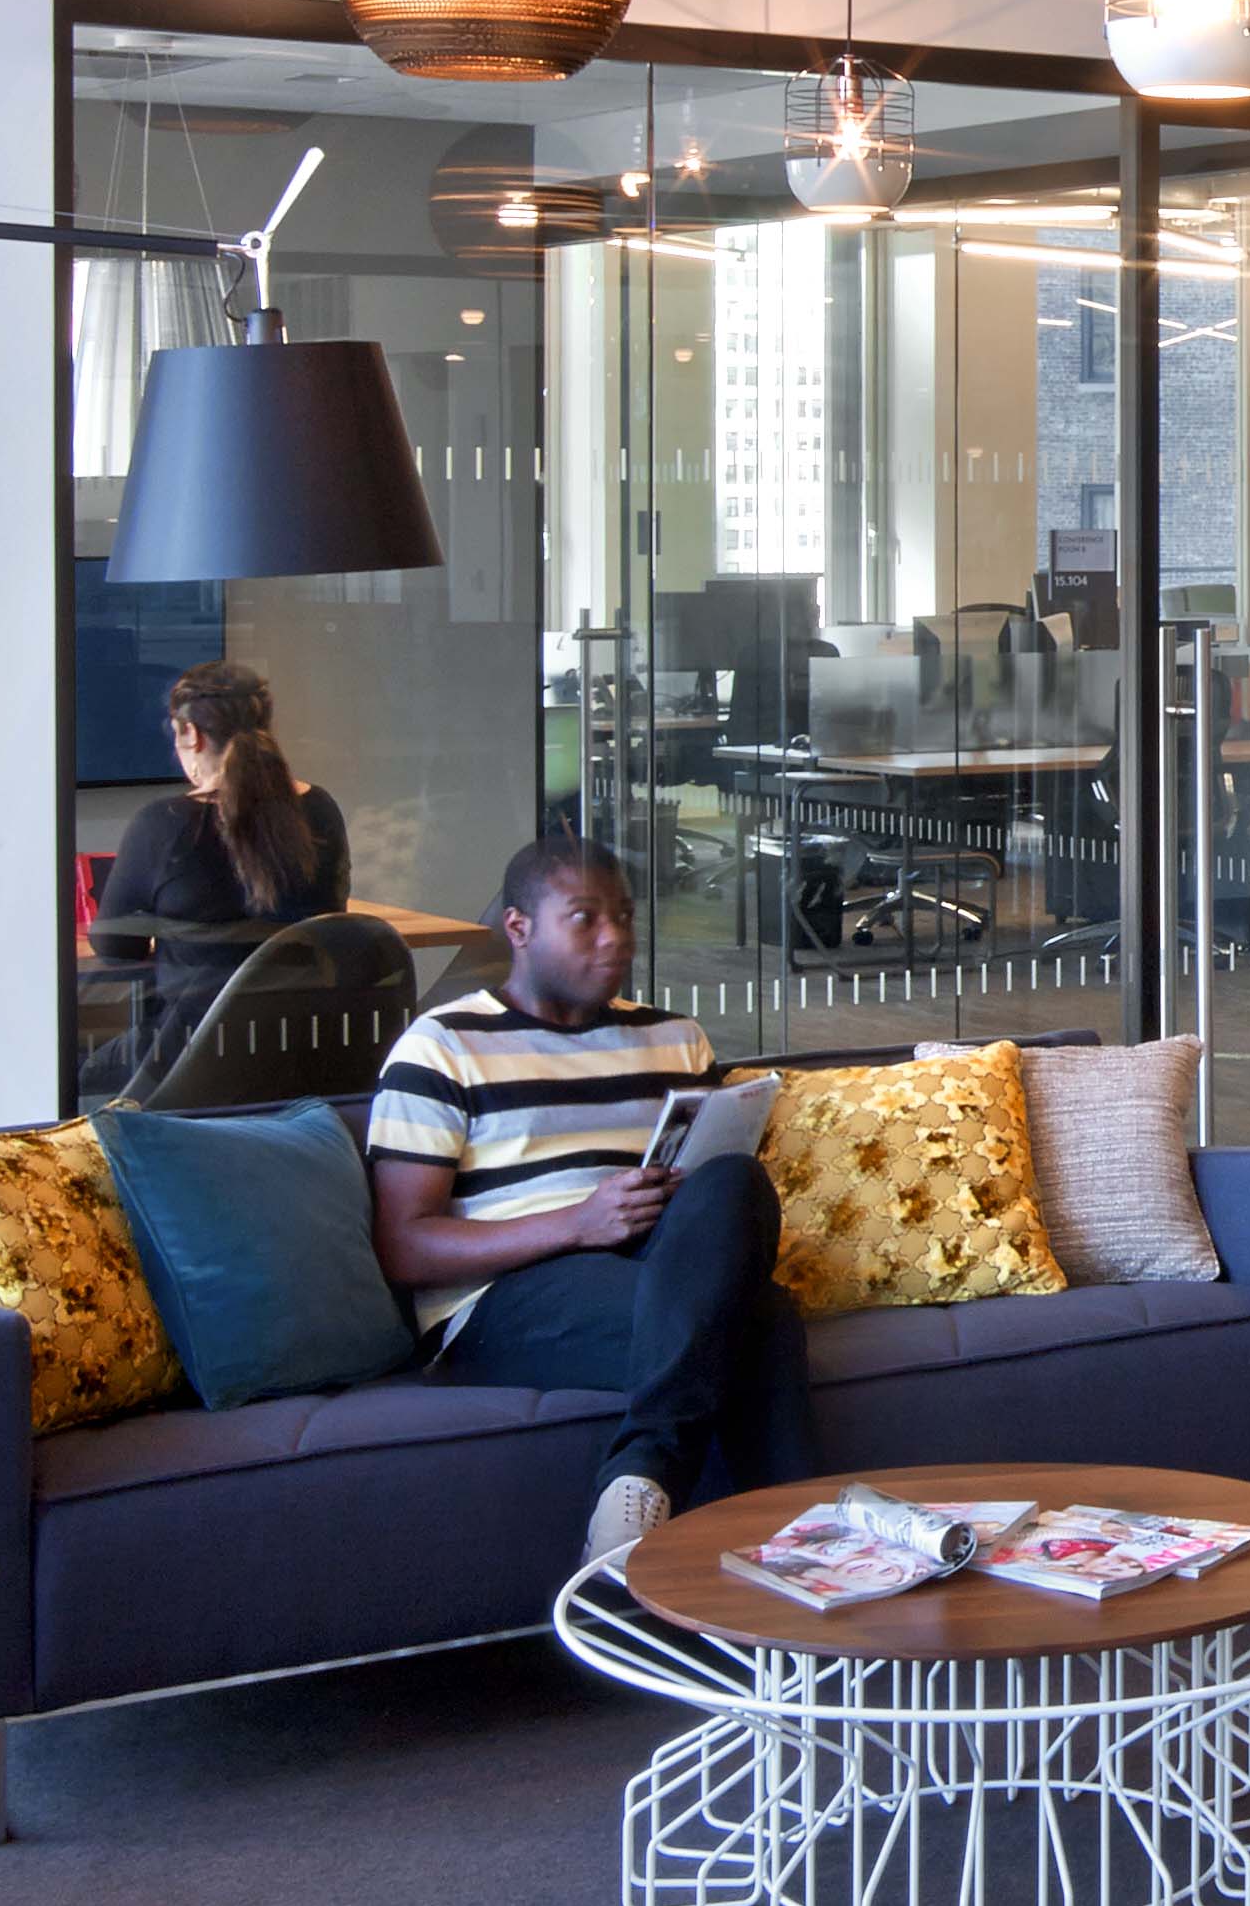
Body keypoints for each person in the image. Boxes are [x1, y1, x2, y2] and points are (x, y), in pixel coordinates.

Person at [361, 833, 807, 1583]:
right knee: (761, 1321)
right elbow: (404, 1248)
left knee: (734, 1180)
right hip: (504, 1297)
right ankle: (811, 1566)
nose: (616, 939)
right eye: (585, 918)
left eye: (625, 917)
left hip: (654, 1265)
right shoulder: (441, 1048)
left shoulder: (674, 1038)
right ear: (519, 928)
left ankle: (642, 1484)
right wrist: (577, 1224)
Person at [91, 660, 351, 1086]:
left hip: (189, 1064)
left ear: (190, 733)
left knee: (74, 1080)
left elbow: (114, 943)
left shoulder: (164, 823)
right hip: (303, 1055)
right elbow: (330, 921)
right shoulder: (320, 809)